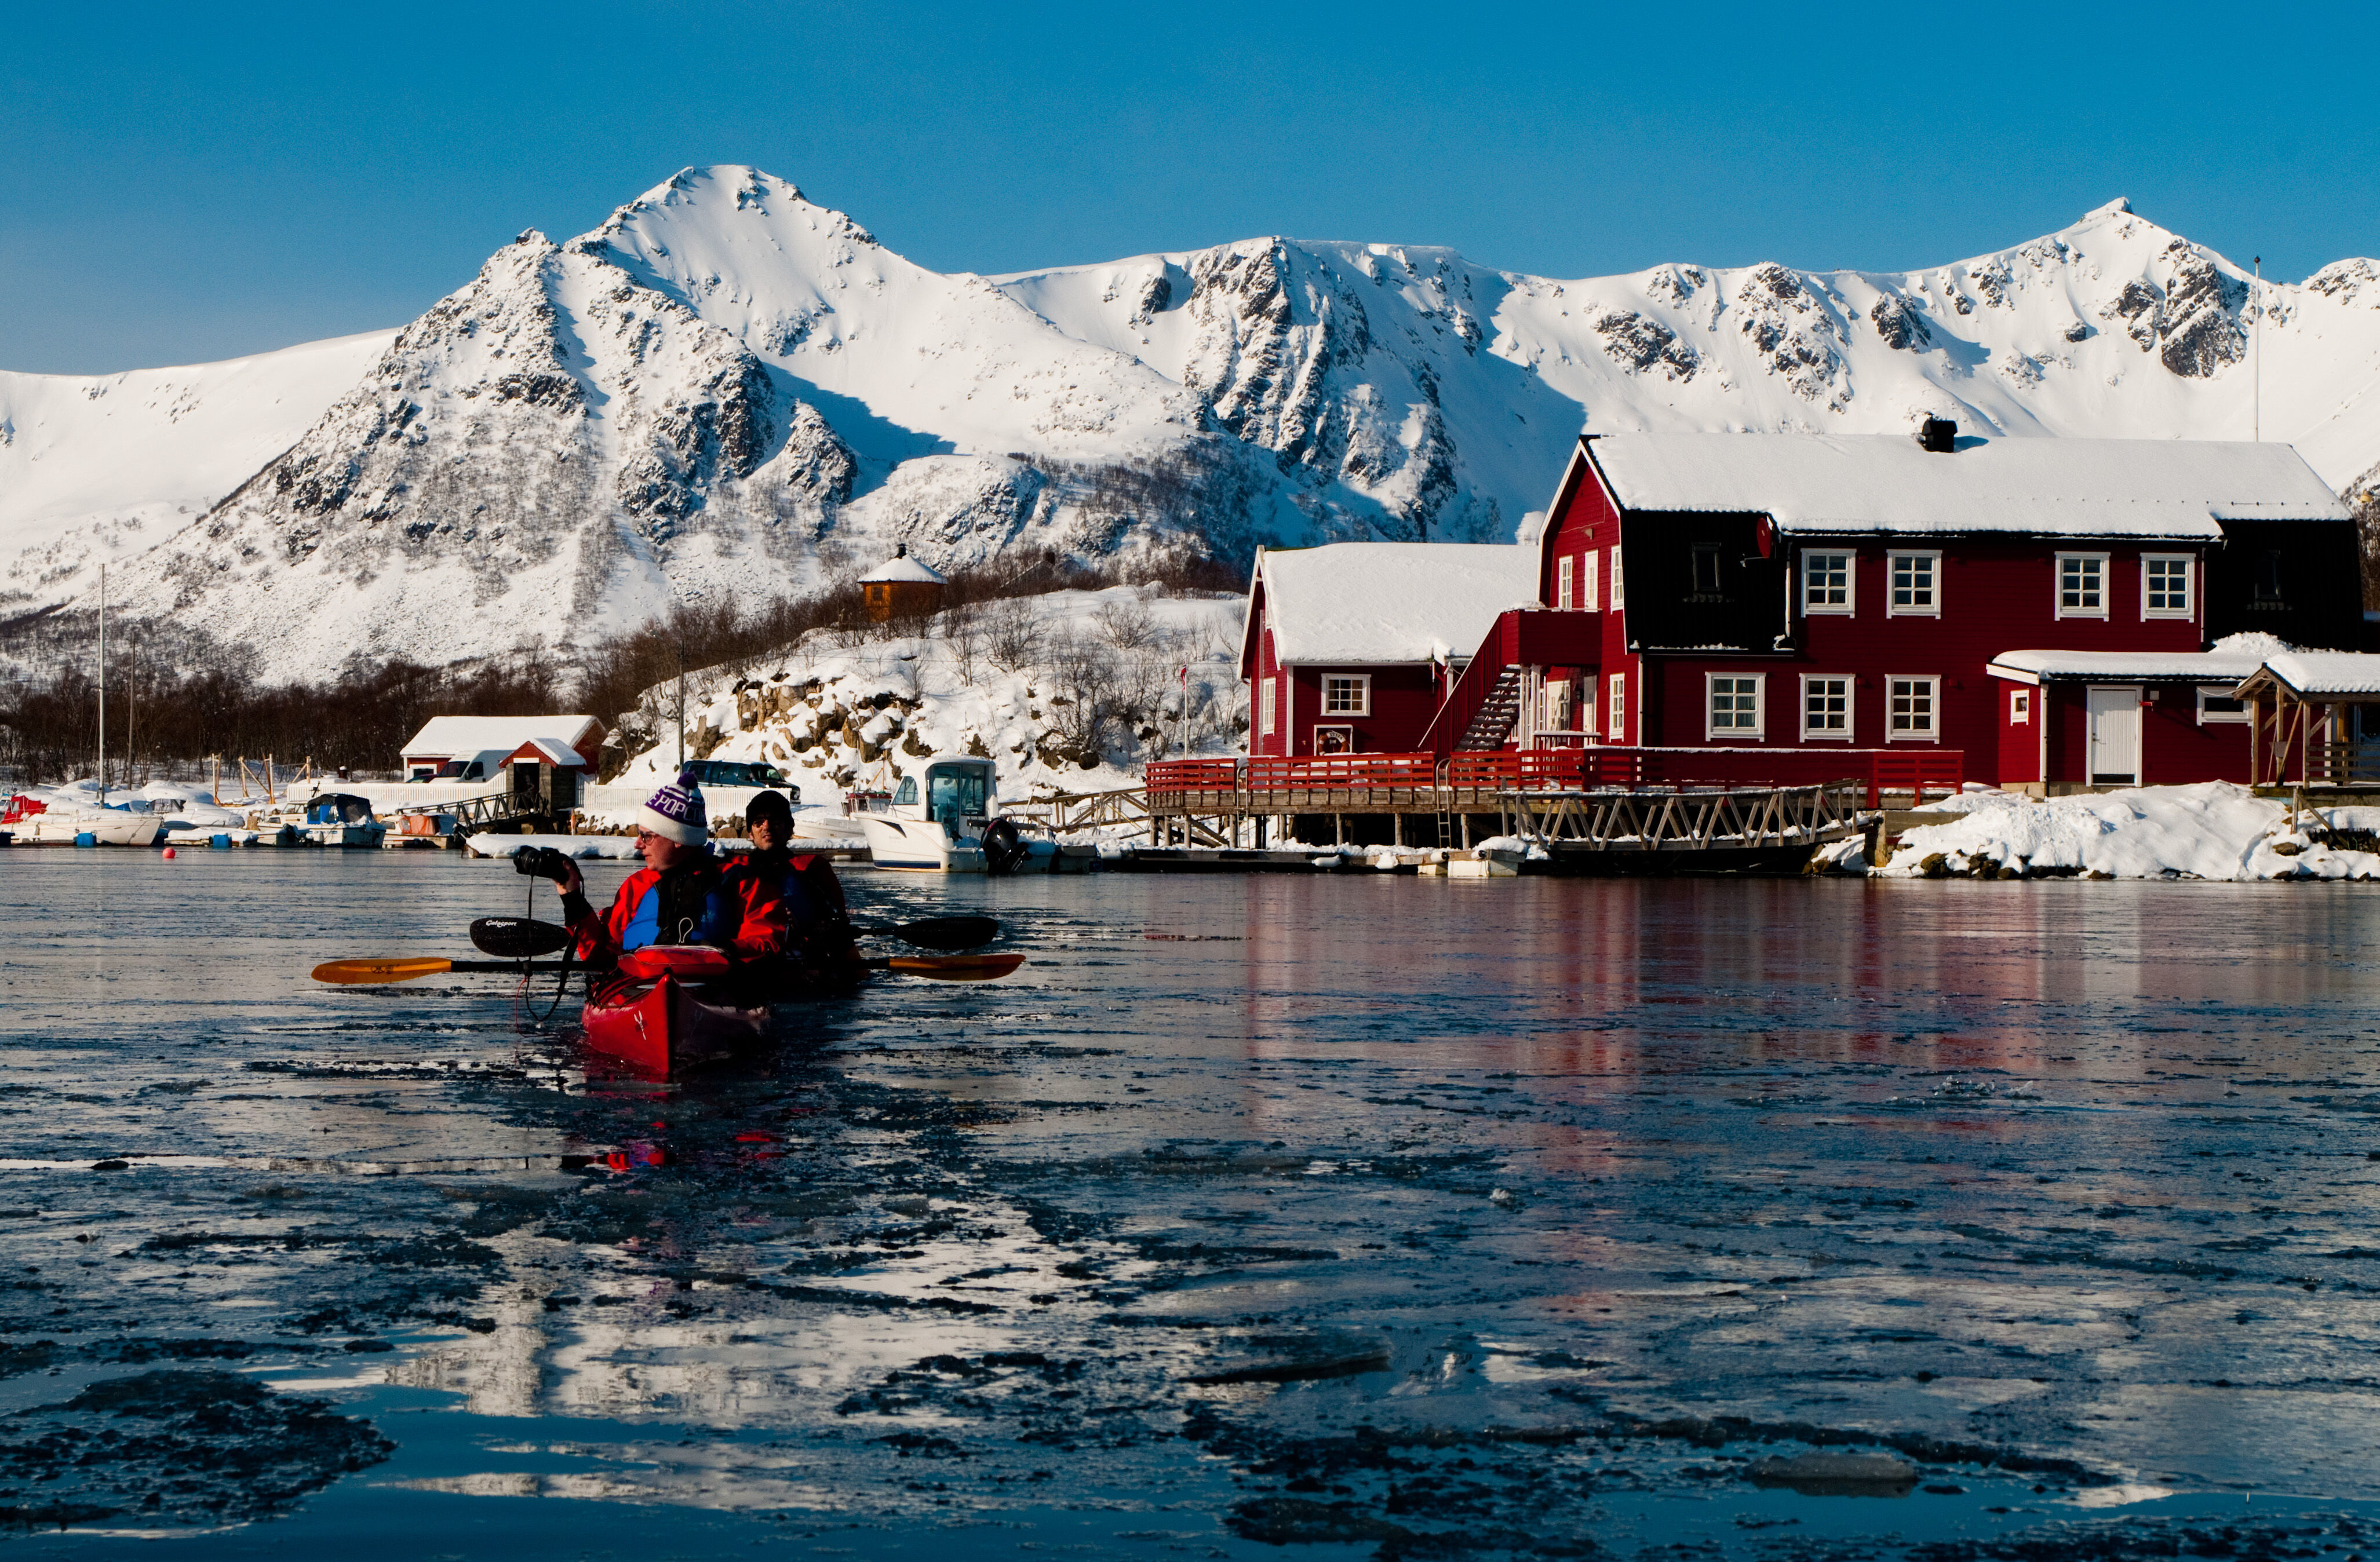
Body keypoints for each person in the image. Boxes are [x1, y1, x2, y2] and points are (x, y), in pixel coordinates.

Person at [554, 769, 779, 965]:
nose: (637, 844)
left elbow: (768, 943)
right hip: (641, 986)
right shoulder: (636, 886)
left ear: (678, 839)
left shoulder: (741, 882)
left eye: (647, 836)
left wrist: (722, 950)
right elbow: (600, 953)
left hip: (713, 983)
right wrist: (572, 896)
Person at [728, 789, 863, 990]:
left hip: (803, 967)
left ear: (789, 828)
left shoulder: (813, 870)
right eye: (758, 822)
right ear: (750, 833)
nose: (767, 827)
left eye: (775, 821)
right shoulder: (734, 872)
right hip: (753, 967)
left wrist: (809, 927)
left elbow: (839, 927)